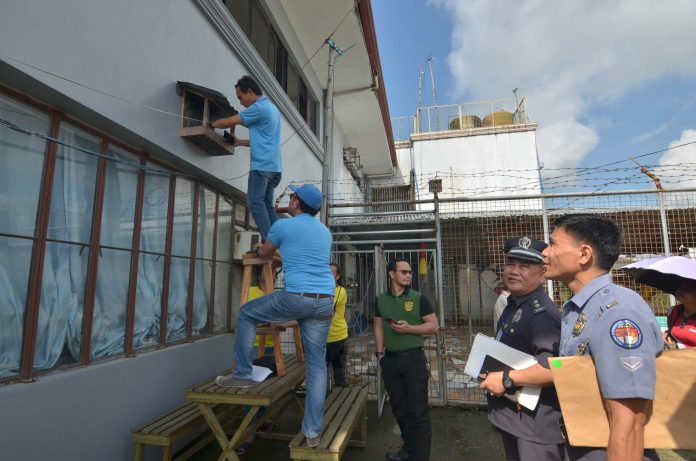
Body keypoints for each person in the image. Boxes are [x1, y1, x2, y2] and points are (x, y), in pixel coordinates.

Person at [541, 214, 662, 461]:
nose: (544, 252)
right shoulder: (582, 307)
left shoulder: (617, 311)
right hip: (582, 445)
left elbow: (629, 419)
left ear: (584, 254)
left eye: (553, 244)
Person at [224, 183, 334, 448]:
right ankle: (312, 433)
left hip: (296, 297)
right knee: (317, 365)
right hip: (324, 301)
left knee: (247, 313)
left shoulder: (283, 226)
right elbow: (300, 255)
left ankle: (242, 374)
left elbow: (264, 252)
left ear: (296, 203)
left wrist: (264, 248)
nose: (291, 200)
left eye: (293, 196)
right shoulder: (324, 232)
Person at [478, 236, 565, 461]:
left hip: (534, 427)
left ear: (542, 273)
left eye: (524, 266)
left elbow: (554, 369)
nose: (514, 271)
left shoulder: (544, 315)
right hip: (516, 420)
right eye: (510, 264)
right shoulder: (514, 305)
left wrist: (505, 379)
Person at [375, 259, 439, 461]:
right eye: (403, 272)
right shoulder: (380, 300)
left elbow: (433, 326)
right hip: (390, 362)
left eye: (410, 272)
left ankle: (420, 457)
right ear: (391, 274)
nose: (409, 275)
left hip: (413, 361)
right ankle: (409, 450)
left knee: (418, 413)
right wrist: (379, 354)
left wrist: (409, 329)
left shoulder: (419, 298)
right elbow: (378, 326)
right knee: (400, 410)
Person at [211, 75, 281, 242]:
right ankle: (279, 237)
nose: (240, 102)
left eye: (240, 97)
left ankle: (269, 241)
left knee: (255, 203)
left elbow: (228, 121)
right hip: (274, 168)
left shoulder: (258, 108)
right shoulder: (271, 108)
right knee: (266, 204)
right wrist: (240, 142)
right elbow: (263, 140)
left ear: (250, 91)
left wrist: (210, 123)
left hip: (261, 167)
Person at [326, 262, 349, 387]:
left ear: (337, 276)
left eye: (330, 273)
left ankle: (340, 400)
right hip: (321, 338)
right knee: (321, 374)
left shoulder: (341, 291)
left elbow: (327, 305)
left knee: (338, 371)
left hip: (338, 337)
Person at [663, 278, 696, 348]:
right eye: (679, 288)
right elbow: (678, 333)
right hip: (678, 357)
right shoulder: (673, 312)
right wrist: (668, 334)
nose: (679, 291)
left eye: (687, 289)